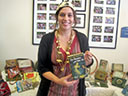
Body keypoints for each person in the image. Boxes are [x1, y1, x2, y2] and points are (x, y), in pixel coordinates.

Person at [37, 1, 93, 96]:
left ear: (74, 18)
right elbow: (41, 68)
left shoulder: (82, 39)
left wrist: (88, 61)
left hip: (75, 92)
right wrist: (58, 81)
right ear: (57, 17)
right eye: (62, 15)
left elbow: (86, 64)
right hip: (51, 91)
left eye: (69, 15)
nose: (66, 19)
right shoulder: (47, 39)